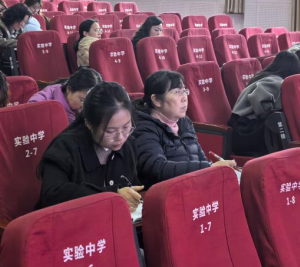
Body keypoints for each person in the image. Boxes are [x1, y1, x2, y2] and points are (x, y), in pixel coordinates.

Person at [38, 82, 142, 211]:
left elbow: (132, 184)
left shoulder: (128, 144)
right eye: (110, 131)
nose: (120, 137)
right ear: (89, 125)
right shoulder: (65, 149)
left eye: (126, 127)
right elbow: (52, 195)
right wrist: (112, 194)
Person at [133, 70, 236, 187]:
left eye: (184, 91)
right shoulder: (144, 127)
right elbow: (156, 168)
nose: (184, 98)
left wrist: (211, 169)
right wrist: (208, 168)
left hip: (192, 184)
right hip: (169, 190)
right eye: (177, 92)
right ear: (156, 100)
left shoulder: (184, 122)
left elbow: (200, 158)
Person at [228, 51, 300, 156]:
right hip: (245, 130)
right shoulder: (275, 82)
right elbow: (257, 99)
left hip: (242, 127)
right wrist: (270, 111)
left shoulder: (266, 76)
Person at [29, 67, 103, 124]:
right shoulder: (49, 95)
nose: (84, 107)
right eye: (82, 100)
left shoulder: (80, 107)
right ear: (69, 89)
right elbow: (31, 108)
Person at [0, 3, 31, 76]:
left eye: (25, 22)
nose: (22, 24)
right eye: (21, 21)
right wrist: (19, 43)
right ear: (14, 17)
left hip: (11, 62)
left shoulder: (18, 29)